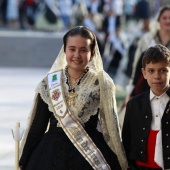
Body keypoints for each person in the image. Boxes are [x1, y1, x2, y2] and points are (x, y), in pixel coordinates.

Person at [19, 26, 128, 170]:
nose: (77, 54)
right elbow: (37, 127)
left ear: (92, 53)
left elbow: (111, 128)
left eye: (83, 50)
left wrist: (120, 162)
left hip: (88, 155)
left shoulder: (102, 83)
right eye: (72, 49)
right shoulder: (49, 82)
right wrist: (23, 159)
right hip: (49, 155)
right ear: (64, 50)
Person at [122, 44, 170, 170]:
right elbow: (127, 142)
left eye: (163, 70)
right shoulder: (134, 105)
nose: (157, 76)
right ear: (144, 73)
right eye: (151, 71)